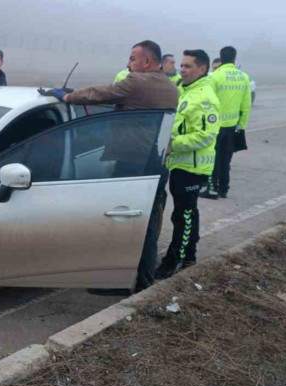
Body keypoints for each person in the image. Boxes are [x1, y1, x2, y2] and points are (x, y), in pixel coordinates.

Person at [39, 40, 178, 292]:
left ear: (147, 62)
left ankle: (123, 282)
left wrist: (67, 95)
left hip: (132, 165)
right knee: (145, 226)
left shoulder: (137, 82)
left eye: (132, 58)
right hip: (156, 164)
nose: (127, 63)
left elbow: (102, 93)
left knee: (127, 225)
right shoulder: (169, 87)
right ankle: (143, 280)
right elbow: (126, 103)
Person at [155, 49, 220, 279]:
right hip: (179, 164)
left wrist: (173, 144)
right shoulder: (184, 90)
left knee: (184, 215)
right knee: (185, 212)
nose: (182, 69)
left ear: (202, 69)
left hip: (193, 167)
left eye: (188, 66)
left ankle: (177, 259)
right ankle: (188, 254)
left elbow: (206, 135)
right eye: (181, 65)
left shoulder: (205, 97)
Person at [202, 46, 251, 200]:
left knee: (212, 158)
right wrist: (241, 126)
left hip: (215, 126)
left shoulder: (215, 77)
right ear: (235, 58)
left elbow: (207, 102)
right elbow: (246, 105)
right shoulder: (244, 77)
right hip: (232, 127)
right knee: (225, 159)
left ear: (220, 58)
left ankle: (212, 189)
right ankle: (224, 189)